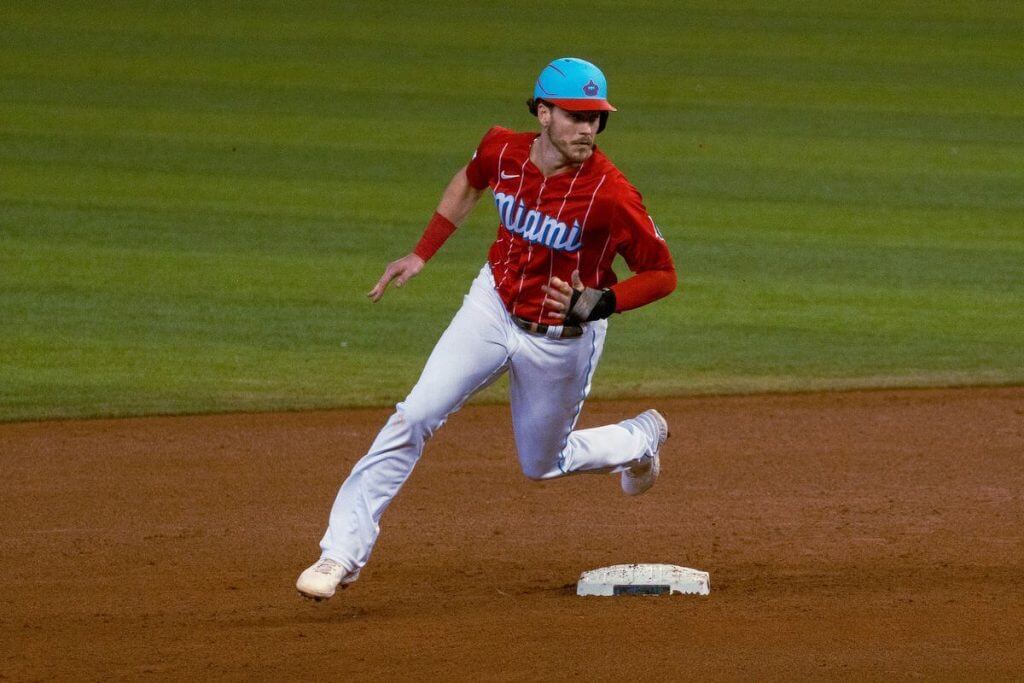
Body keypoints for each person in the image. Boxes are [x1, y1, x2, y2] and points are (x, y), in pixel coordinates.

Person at [296, 57, 677, 600]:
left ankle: (639, 438)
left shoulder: (612, 196)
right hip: (492, 306)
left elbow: (663, 273)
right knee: (416, 414)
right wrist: (423, 252)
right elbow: (470, 181)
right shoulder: (503, 148)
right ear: (543, 113)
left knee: (543, 464)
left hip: (561, 339)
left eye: (597, 118)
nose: (588, 129)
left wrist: (603, 301)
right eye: (576, 116)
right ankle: (339, 555)